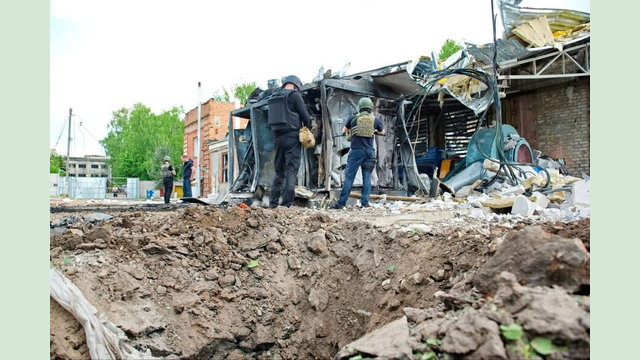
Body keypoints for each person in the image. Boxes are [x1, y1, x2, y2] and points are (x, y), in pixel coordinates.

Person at [330, 97, 384, 209]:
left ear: (360, 107)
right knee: (367, 178)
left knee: (349, 178)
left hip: (356, 152)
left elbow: (343, 131)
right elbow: (382, 132)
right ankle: (365, 203)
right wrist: (374, 130)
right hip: (369, 152)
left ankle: (341, 203)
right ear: (370, 108)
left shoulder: (353, 118)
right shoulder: (375, 120)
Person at [267, 75, 312, 208]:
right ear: (296, 86)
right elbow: (305, 117)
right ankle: (286, 204)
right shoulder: (295, 95)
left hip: (278, 138)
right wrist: (308, 127)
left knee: (279, 171)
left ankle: (273, 203)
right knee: (291, 170)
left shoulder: (273, 97)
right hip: (292, 137)